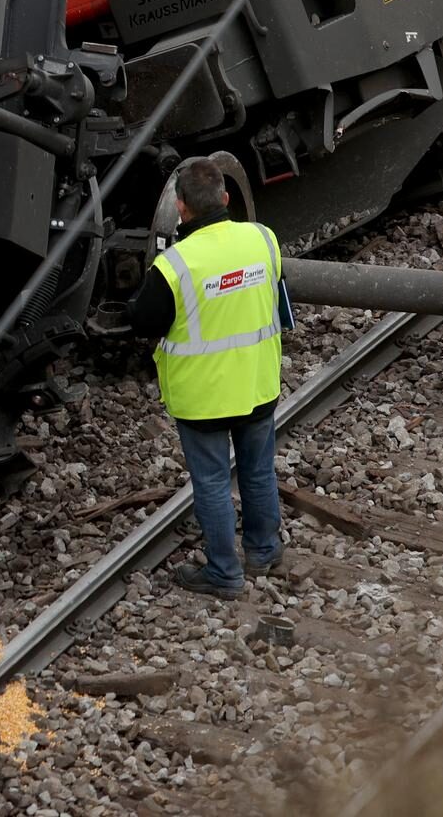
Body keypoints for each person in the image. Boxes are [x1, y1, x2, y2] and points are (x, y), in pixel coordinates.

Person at [129, 157, 288, 599]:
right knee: (258, 473)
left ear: (181, 208)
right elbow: (274, 289)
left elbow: (143, 321)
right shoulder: (263, 239)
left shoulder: (175, 265)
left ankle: (224, 573)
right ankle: (263, 551)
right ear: (225, 198)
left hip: (203, 399)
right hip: (257, 384)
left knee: (214, 483)